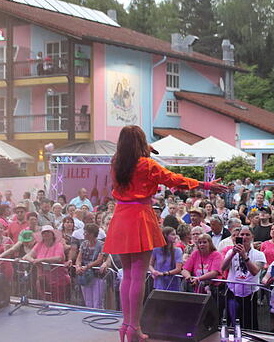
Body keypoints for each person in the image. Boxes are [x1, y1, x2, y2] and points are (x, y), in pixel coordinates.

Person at [103, 125, 226, 342]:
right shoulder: (147, 165)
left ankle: (125, 325)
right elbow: (175, 180)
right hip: (140, 216)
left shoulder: (117, 162)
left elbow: (129, 152)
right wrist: (204, 184)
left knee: (127, 275)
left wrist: (143, 148)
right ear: (140, 144)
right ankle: (135, 327)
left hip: (121, 216)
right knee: (138, 276)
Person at [220, 225, 266, 330]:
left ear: (252, 237)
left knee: (249, 323)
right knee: (233, 321)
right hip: (233, 291)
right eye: (242, 235)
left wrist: (244, 256)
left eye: (247, 235)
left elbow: (254, 271)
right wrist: (232, 253)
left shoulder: (259, 254)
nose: (244, 237)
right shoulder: (230, 252)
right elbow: (223, 268)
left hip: (250, 293)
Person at [24, 225, 69, 302]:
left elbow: (59, 258)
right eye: (44, 232)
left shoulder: (58, 245)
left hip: (58, 280)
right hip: (42, 280)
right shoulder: (39, 245)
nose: (46, 234)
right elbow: (27, 256)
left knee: (58, 301)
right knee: (44, 300)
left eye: (48, 232)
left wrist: (41, 260)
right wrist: (33, 261)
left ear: (53, 234)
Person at [76, 223, 107, 308]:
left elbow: (99, 260)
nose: (84, 235)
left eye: (86, 233)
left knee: (97, 302)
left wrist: (87, 266)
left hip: (97, 275)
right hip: (85, 275)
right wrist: (78, 266)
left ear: (92, 234)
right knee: (88, 302)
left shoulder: (101, 244)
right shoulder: (83, 244)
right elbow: (79, 257)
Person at [150, 227, 184, 291]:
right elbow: (150, 264)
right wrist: (153, 271)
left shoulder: (178, 251)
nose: (175, 236)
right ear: (165, 235)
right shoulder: (156, 249)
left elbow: (178, 269)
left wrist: (164, 274)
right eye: (173, 234)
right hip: (159, 284)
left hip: (173, 285)